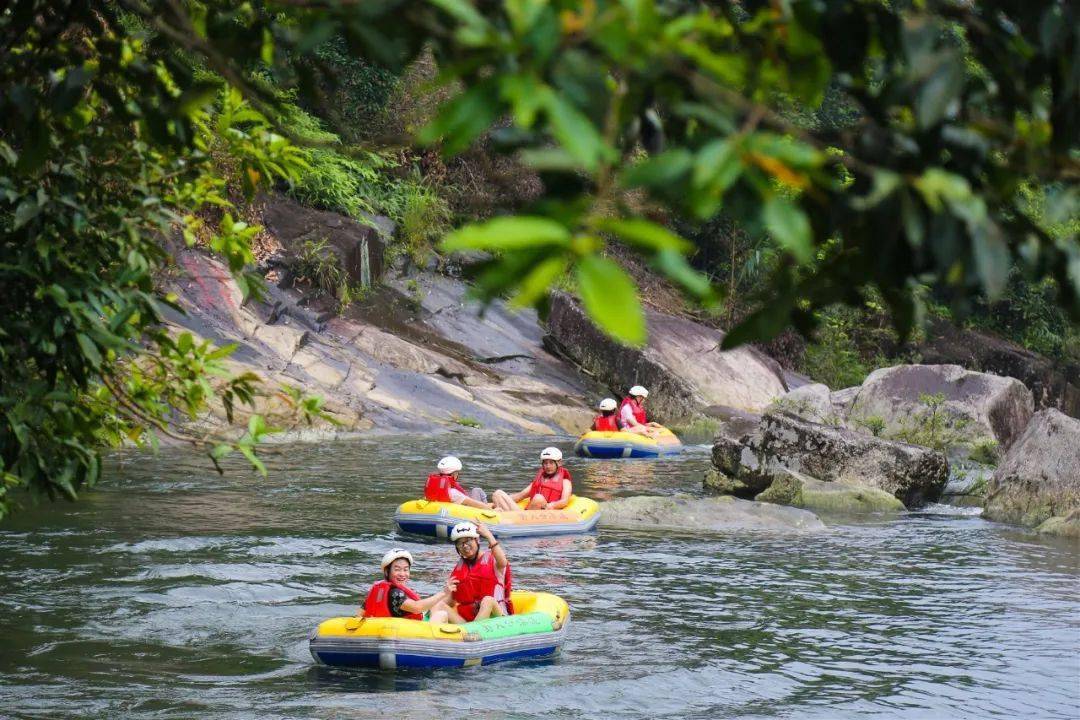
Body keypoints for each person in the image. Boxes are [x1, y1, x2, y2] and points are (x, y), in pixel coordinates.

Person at [359, 548, 458, 624]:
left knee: (436, 606)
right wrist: (444, 592)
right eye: (397, 569)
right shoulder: (395, 594)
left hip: (385, 629)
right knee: (442, 615)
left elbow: (360, 615)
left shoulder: (378, 590)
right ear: (387, 571)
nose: (402, 574)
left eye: (405, 570)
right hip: (404, 636)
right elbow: (417, 607)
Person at [444, 521, 512, 623]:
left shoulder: (494, 560)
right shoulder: (458, 570)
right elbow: (451, 601)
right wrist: (445, 592)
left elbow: (503, 562)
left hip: (497, 618)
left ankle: (474, 631)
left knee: (487, 601)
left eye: (468, 540)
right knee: (440, 605)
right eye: (460, 543)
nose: (465, 546)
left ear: (477, 540)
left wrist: (488, 535)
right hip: (468, 623)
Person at [491, 447, 572, 511]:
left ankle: (511, 516)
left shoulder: (565, 482)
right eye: (545, 463)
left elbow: (564, 501)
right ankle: (502, 513)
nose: (548, 466)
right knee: (498, 493)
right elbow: (521, 495)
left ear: (559, 463)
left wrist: (550, 505)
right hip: (525, 513)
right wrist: (502, 501)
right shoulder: (539, 480)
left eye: (551, 463)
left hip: (546, 512)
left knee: (538, 498)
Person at [424, 456, 493, 509]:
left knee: (476, 491)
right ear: (454, 474)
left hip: (447, 509)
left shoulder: (433, 489)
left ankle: (491, 505)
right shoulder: (453, 492)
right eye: (457, 473)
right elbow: (472, 502)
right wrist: (492, 510)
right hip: (468, 510)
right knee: (477, 490)